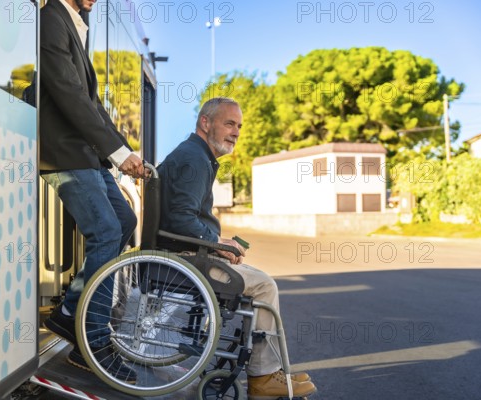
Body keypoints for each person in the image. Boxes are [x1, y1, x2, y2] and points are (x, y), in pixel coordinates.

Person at [157, 97, 317, 399]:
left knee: (256, 277)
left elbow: (183, 215)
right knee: (265, 286)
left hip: (185, 253)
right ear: (206, 123)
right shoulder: (194, 159)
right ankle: (263, 377)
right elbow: (180, 217)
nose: (236, 132)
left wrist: (220, 242)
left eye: (239, 126)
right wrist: (217, 243)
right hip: (186, 258)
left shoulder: (194, 154)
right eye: (229, 123)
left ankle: (269, 371)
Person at [39, 0, 144, 383]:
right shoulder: (50, 18)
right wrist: (118, 153)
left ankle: (72, 314)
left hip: (87, 155)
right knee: (105, 231)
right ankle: (92, 338)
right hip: (63, 153)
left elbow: (93, 105)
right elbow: (67, 93)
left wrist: (124, 153)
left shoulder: (75, 23)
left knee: (124, 219)